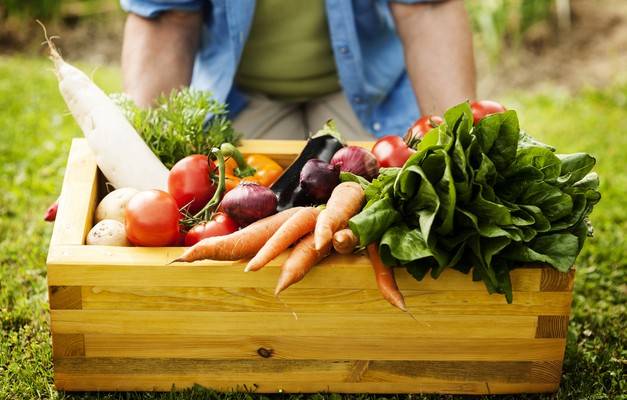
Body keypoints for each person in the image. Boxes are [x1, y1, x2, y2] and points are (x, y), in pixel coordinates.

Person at [120, 0, 476, 140]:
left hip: (369, 92)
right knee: (241, 214)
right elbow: (168, 17)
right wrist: (139, 151)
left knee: (391, 211)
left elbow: (425, 9)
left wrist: (459, 147)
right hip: (240, 96)